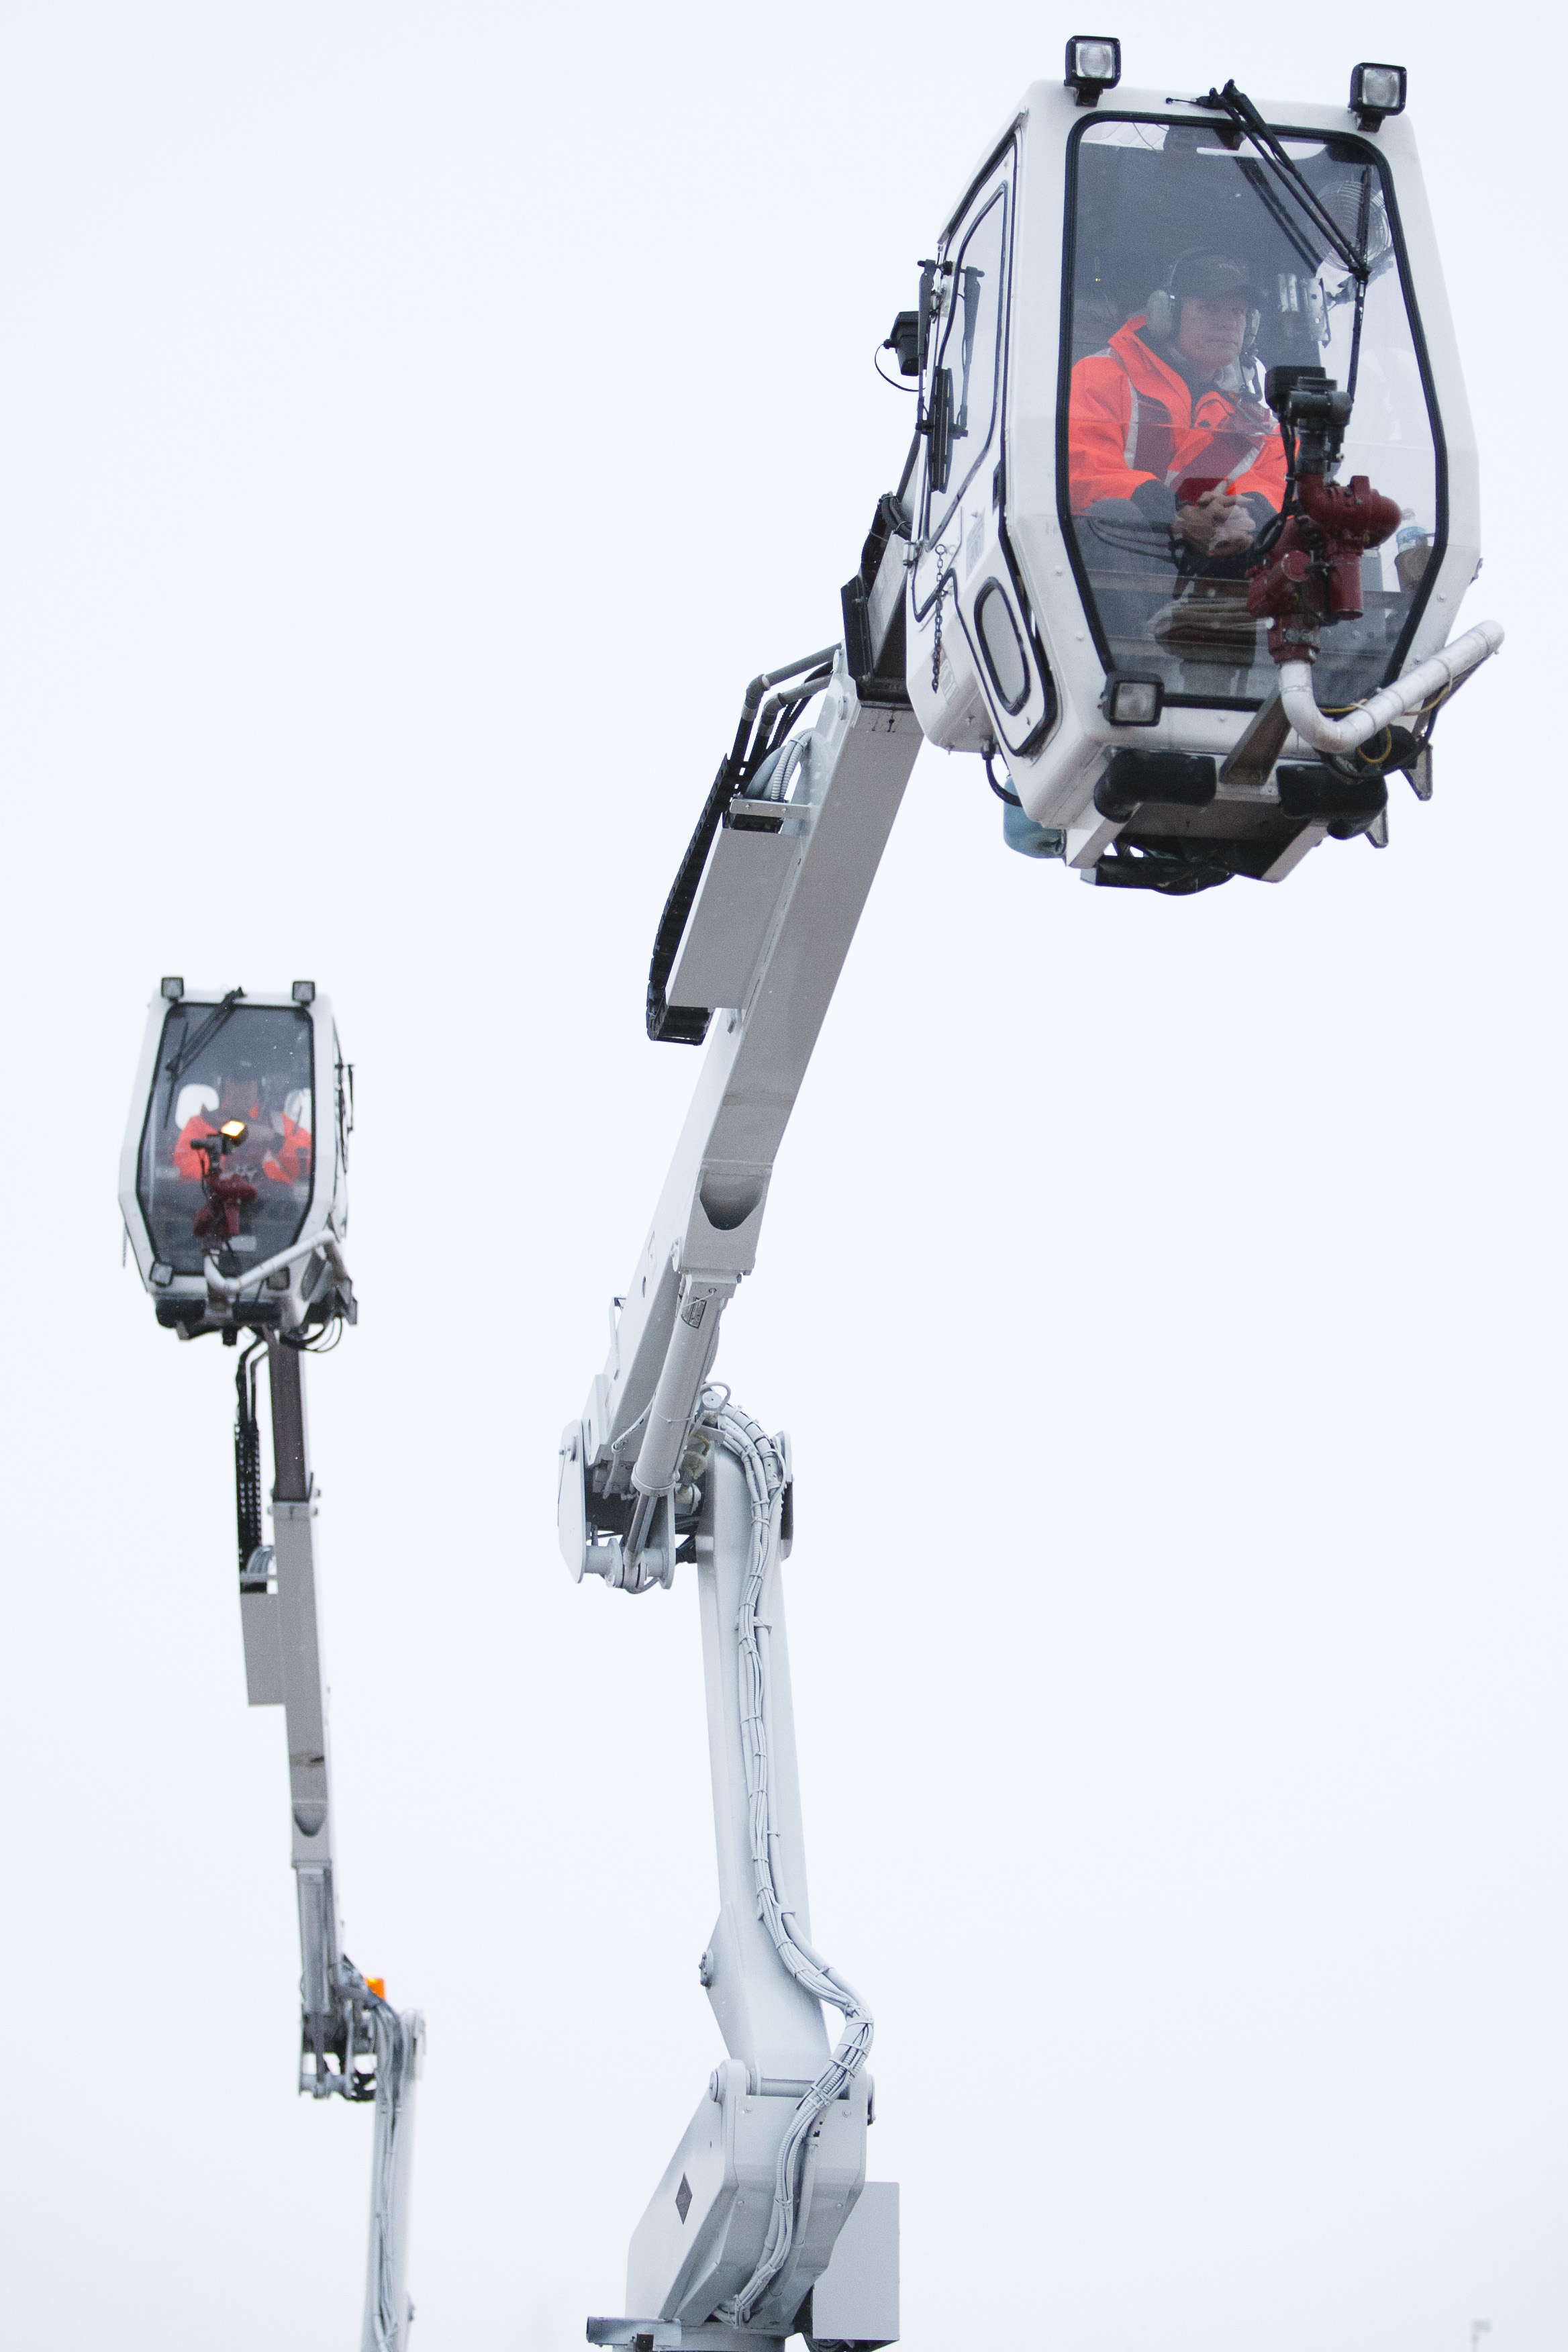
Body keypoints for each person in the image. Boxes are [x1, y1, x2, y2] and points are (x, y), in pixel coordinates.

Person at [1067, 252, 1285, 605]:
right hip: (1117, 578)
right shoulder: (1101, 376)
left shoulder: (1256, 422)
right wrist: (1176, 514)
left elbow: (1278, 484)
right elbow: (1083, 469)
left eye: (1238, 312)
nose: (1228, 323)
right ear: (1165, 315)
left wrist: (1244, 516)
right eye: (1210, 308)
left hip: (1210, 584)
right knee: (1113, 515)